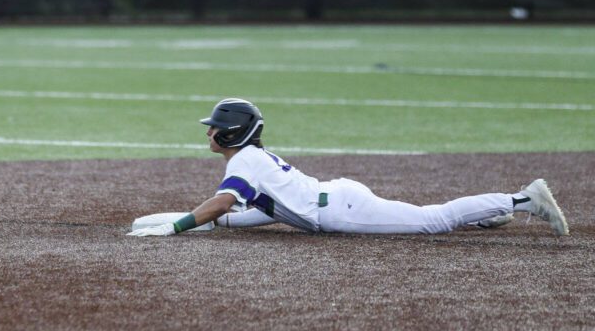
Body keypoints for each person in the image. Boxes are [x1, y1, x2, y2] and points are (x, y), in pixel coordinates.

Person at [128, 98, 569, 238]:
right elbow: (264, 209)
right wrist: (215, 224)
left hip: (342, 209)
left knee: (432, 221)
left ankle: (524, 197)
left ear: (231, 134)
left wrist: (177, 227)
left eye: (215, 129)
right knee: (430, 217)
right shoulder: (251, 159)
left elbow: (223, 200)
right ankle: (492, 212)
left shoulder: (244, 161)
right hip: (334, 199)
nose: (209, 134)